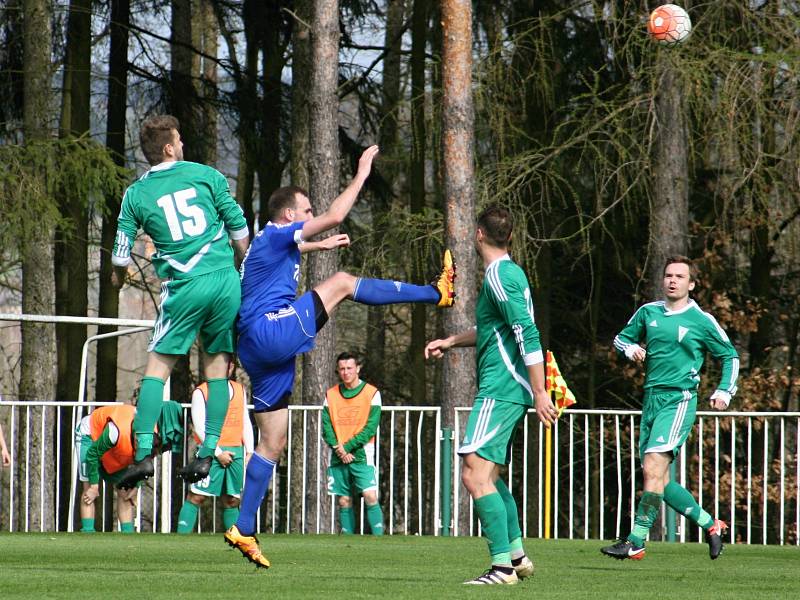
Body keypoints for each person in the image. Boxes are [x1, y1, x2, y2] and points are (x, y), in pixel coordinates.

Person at [224, 145, 455, 569]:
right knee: (345, 282)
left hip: (256, 349)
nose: (312, 214)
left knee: (271, 441)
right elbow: (333, 215)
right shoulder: (277, 233)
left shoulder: (272, 243)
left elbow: (291, 250)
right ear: (290, 214)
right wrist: (362, 173)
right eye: (306, 210)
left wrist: (318, 244)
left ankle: (244, 525)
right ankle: (436, 293)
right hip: (268, 329)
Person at [110, 114, 250, 487]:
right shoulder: (207, 175)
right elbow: (238, 225)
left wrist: (117, 276)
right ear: (170, 147)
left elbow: (121, 251)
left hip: (185, 286)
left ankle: (141, 456)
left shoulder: (137, 194)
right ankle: (207, 454)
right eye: (180, 139)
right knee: (217, 370)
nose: (184, 143)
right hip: (224, 280)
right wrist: (242, 263)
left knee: (156, 370)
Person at [424, 204, 556, 585]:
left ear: (478, 234)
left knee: (473, 475)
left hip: (502, 389)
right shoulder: (507, 274)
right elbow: (494, 331)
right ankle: (515, 555)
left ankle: (501, 568)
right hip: (508, 388)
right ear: (509, 237)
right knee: (489, 476)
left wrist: (540, 391)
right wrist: (451, 341)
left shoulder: (499, 276)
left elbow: (526, 333)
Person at [601, 255, 738, 561]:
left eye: (679, 276)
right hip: (651, 400)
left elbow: (730, 355)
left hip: (679, 399)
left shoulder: (701, 320)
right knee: (659, 479)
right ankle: (711, 525)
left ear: (691, 284)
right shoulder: (648, 312)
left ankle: (635, 541)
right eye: (668, 275)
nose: (672, 280)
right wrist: (631, 348)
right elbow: (621, 339)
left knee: (652, 468)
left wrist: (724, 391)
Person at [76, 401, 183, 533]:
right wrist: (94, 486)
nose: (139, 444)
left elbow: (141, 467)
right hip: (90, 436)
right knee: (89, 490)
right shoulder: (115, 431)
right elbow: (92, 454)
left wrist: (135, 486)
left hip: (116, 447)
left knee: (126, 490)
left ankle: (128, 534)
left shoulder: (153, 443)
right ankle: (87, 532)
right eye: (138, 440)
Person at [177, 362, 254, 534]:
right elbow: (199, 428)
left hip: (237, 451)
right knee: (197, 495)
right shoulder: (201, 392)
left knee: (232, 499)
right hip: (211, 452)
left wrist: (250, 450)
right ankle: (179, 540)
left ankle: (236, 541)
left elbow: (245, 420)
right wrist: (218, 453)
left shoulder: (240, 389)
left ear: (231, 367)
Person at [322, 352, 384, 536]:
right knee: (343, 500)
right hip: (338, 454)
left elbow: (370, 428)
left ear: (357, 368)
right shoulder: (330, 395)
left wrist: (347, 447)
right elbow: (327, 427)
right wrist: (339, 449)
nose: (346, 372)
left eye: (349, 368)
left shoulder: (372, 393)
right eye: (342, 369)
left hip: (362, 453)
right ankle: (347, 544)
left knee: (370, 496)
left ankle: (380, 540)